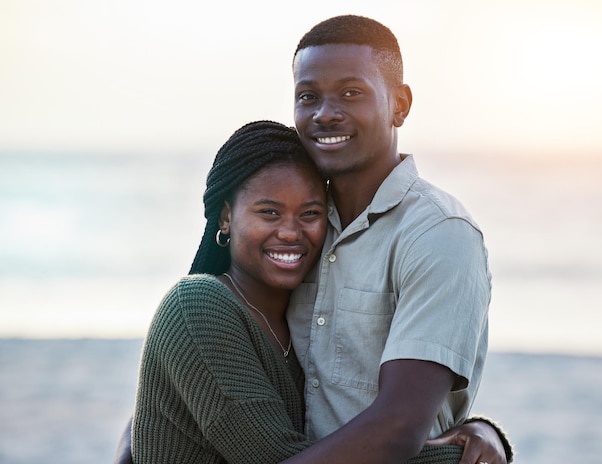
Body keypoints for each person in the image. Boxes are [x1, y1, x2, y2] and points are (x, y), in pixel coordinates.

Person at [123, 120, 510, 464]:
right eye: (269, 212)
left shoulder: (300, 318)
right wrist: (461, 455)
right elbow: (281, 457)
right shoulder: (199, 307)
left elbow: (328, 442)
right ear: (227, 216)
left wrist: (480, 429)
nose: (291, 232)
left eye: (309, 214)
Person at [281, 14, 514, 464]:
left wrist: (486, 431)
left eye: (351, 93)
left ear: (399, 105)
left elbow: (397, 429)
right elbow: (192, 341)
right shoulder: (293, 228)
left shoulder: (439, 234)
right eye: (308, 97)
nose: (325, 113)